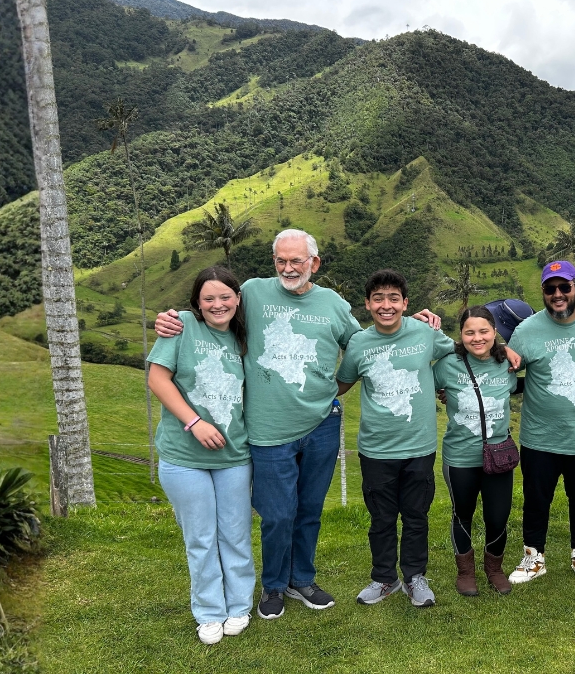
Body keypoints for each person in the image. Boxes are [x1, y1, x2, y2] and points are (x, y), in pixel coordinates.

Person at [154, 229, 440, 620]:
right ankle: (273, 585)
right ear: (274, 263)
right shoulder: (252, 293)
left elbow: (370, 344)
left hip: (322, 424)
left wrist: (416, 324)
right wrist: (171, 318)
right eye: (281, 261)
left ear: (314, 264)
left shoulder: (334, 304)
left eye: (297, 261)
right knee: (277, 514)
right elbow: (212, 309)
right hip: (267, 430)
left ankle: (301, 578)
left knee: (309, 509)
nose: (289, 268)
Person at [146, 266, 254, 645]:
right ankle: (209, 611)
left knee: (235, 533)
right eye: (208, 298)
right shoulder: (181, 327)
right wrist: (194, 422)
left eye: (225, 296)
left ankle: (239, 604)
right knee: (201, 536)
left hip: (234, 455)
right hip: (183, 455)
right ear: (196, 303)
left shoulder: (245, 336)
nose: (217, 304)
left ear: (237, 299)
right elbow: (157, 378)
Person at [336, 270, 456, 608]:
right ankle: (384, 578)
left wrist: (447, 383)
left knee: (416, 516)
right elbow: (343, 383)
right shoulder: (359, 343)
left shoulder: (425, 332)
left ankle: (415, 577)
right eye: (378, 299)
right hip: (376, 449)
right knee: (382, 519)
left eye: (393, 299)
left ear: (405, 303)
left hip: (419, 446)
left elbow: (457, 353)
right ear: (367, 304)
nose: (385, 305)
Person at [506, 260, 575, 585]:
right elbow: (502, 373)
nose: (557, 294)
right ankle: (533, 558)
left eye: (564, 287)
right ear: (542, 292)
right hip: (540, 439)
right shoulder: (526, 331)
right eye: (550, 288)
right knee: (536, 502)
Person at [433, 306, 521, 596]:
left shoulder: (507, 364)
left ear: (495, 333)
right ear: (460, 335)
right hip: (460, 456)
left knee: (498, 516)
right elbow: (424, 386)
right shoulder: (447, 365)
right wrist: (442, 393)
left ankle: (494, 569)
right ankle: (466, 572)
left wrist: (507, 350)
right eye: (470, 332)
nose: (477, 337)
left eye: (484, 331)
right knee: (463, 514)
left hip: (498, 455)